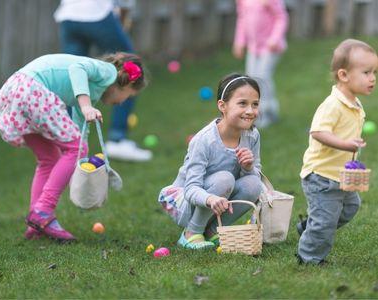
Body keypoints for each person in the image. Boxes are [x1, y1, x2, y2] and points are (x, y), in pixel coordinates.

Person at [0, 52, 147, 242]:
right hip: (34, 90)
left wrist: (78, 165)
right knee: (71, 149)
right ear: (126, 83)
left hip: (19, 90)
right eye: (128, 97)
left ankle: (36, 223)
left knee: (50, 158)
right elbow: (76, 68)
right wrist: (86, 106)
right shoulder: (107, 71)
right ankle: (44, 210)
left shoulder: (91, 91)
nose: (122, 103)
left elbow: (80, 134)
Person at [158, 74, 263, 250]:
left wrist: (248, 167)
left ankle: (213, 231)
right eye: (242, 103)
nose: (250, 111)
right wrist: (210, 198)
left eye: (255, 104)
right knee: (224, 178)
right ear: (222, 106)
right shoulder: (204, 140)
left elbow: (255, 177)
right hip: (187, 202)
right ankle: (191, 233)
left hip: (220, 199)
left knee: (254, 183)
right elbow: (191, 189)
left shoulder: (252, 135)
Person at [297, 39, 377, 265]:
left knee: (351, 207)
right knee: (325, 222)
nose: (372, 78)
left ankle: (309, 226)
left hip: (341, 173)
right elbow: (318, 132)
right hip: (321, 175)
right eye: (366, 72)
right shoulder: (333, 104)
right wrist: (346, 144)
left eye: (374, 72)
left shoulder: (355, 102)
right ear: (343, 75)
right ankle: (309, 258)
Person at [54, 0, 152, 162]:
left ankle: (67, 142)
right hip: (97, 14)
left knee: (72, 77)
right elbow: (125, 4)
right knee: (131, 68)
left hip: (68, 16)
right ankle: (117, 138)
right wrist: (121, 22)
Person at [233, 0, 288, 128]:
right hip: (253, 47)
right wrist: (240, 42)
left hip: (270, 46)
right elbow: (242, 19)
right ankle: (256, 111)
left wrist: (275, 38)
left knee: (263, 77)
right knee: (251, 80)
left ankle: (268, 111)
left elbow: (281, 17)